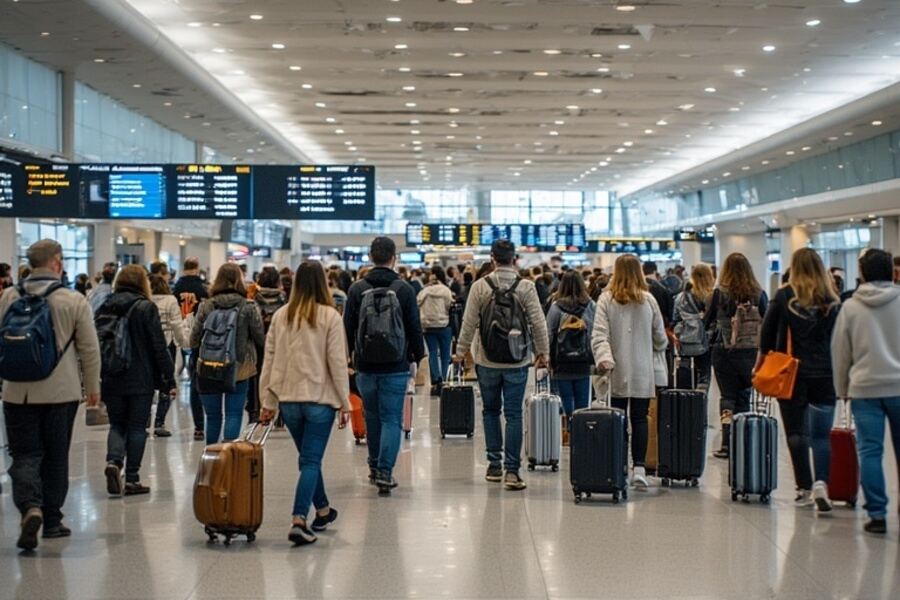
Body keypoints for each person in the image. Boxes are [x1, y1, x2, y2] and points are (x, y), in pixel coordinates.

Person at [0, 240, 101, 550]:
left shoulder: (7, 296)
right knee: (56, 455)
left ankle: (29, 506)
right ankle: (53, 521)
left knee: (24, 453)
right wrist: (94, 388)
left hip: (17, 392)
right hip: (61, 391)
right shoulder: (72, 300)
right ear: (57, 263)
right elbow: (89, 349)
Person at [259, 261, 350, 546]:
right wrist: (345, 402)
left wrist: (268, 400)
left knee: (307, 459)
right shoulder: (330, 317)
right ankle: (299, 518)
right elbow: (337, 363)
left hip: (289, 401)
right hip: (319, 400)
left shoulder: (282, 316)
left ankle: (322, 511)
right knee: (311, 460)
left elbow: (269, 361)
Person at [454, 240, 550, 491]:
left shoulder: (480, 287)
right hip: (517, 361)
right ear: (515, 259)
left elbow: (468, 323)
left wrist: (460, 351)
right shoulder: (526, 287)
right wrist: (543, 353)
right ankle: (512, 471)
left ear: (493, 258)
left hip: (486, 360)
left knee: (490, 411)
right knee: (514, 414)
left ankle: (494, 465)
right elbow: (538, 324)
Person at [757, 248, 839, 512]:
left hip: (792, 373)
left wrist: (759, 365)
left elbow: (766, 336)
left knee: (796, 432)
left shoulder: (783, 296)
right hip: (826, 373)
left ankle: (803, 487)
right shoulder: (831, 300)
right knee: (821, 435)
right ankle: (822, 484)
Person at [344, 237, 426, 495]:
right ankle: (385, 471)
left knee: (372, 415)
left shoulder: (357, 290)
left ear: (370, 256)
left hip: (365, 366)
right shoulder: (404, 289)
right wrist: (417, 356)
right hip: (396, 364)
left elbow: (347, 328)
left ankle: (373, 465)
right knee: (392, 417)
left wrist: (349, 360)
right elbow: (414, 327)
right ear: (394, 258)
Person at [831, 248, 900, 534]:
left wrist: (842, 388)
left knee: (870, 451)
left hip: (864, 388)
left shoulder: (851, 307)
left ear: (862, 273)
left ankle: (877, 514)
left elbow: (840, 351)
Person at [591, 254, 668, 489]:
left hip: (615, 371)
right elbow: (661, 339)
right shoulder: (649, 300)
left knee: (618, 418)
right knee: (639, 418)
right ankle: (640, 468)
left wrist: (605, 358)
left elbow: (599, 334)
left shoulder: (606, 299)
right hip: (642, 370)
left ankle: (618, 465)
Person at [98, 266, 176, 497]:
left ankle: (113, 461)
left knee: (117, 424)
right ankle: (132, 479)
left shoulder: (105, 305)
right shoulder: (145, 307)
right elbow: (158, 347)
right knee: (137, 427)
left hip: (111, 375)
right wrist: (168, 378)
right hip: (140, 378)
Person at [190, 263, 265, 444]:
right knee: (233, 413)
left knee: (213, 416)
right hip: (239, 366)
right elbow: (260, 338)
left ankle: (211, 459)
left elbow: (194, 339)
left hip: (209, 365)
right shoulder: (248, 306)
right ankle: (227, 457)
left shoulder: (207, 306)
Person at [704, 253, 768, 459]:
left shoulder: (719, 293)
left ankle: (726, 443)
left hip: (723, 352)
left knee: (727, 396)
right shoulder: (759, 294)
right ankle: (743, 442)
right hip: (750, 353)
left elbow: (707, 322)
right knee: (744, 396)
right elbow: (766, 323)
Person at [546, 271, 596, 421]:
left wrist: (545, 356)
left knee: (566, 398)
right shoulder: (591, 305)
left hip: (561, 361)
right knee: (582, 402)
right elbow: (595, 332)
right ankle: (580, 431)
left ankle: (569, 424)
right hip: (583, 361)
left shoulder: (556, 307)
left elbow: (549, 333)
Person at [173, 257, 209, 440]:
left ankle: (198, 426)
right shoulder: (203, 288)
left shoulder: (175, 287)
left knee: (192, 370)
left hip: (182, 331)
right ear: (197, 268)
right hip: (201, 335)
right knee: (201, 376)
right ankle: (209, 420)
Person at [149, 274, 188, 437]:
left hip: (148, 345)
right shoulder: (171, 300)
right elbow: (177, 324)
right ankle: (160, 422)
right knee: (166, 382)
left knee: (148, 383)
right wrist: (184, 341)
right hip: (167, 344)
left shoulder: (145, 299)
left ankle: (144, 421)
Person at [249, 267, 287, 424]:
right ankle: (280, 416)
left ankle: (257, 410)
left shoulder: (254, 298)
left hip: (258, 342)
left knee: (258, 375)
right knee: (280, 374)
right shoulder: (283, 298)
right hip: (279, 341)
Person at [672, 263, 715, 388]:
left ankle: (687, 401)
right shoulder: (712, 297)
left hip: (685, 341)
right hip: (705, 342)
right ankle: (701, 402)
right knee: (704, 377)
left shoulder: (681, 297)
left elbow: (675, 319)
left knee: (686, 374)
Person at [418, 265, 455, 396]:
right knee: (445, 354)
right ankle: (444, 379)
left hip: (428, 326)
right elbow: (449, 305)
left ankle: (436, 379)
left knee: (432, 352)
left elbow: (418, 303)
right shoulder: (446, 290)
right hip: (444, 325)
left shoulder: (424, 291)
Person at [642, 261, 673, 327]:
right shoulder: (662, 287)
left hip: (643, 323)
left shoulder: (638, 286)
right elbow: (669, 309)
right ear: (655, 272)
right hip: (661, 323)